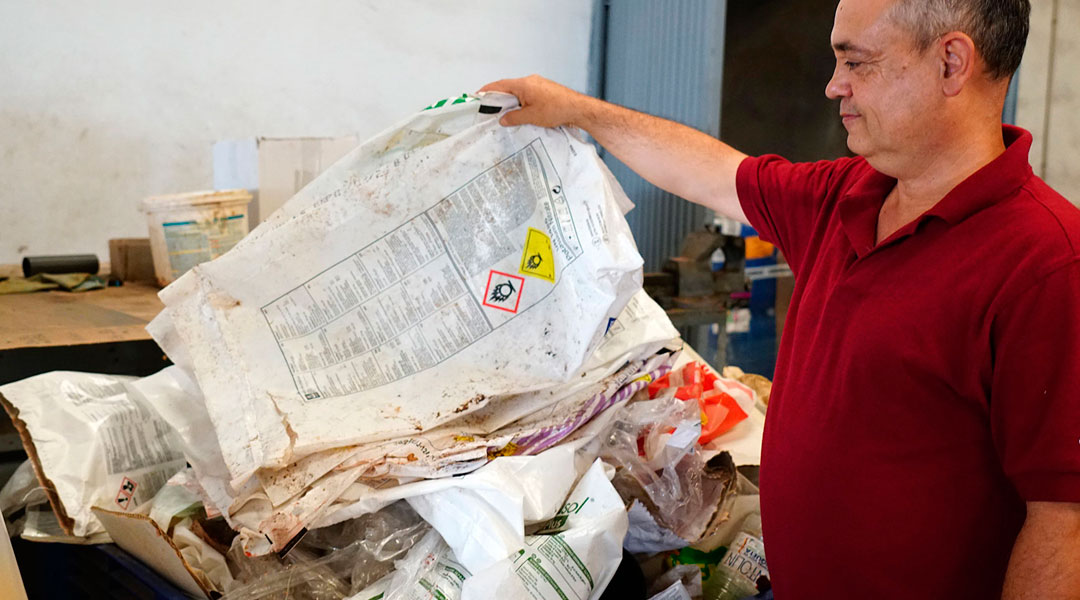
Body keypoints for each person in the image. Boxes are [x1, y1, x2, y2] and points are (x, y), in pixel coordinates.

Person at [481, 0, 1080, 597]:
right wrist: (578, 111)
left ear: (951, 62)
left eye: (857, 62)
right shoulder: (845, 196)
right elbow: (714, 173)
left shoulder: (1046, 264)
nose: (833, 85)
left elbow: (1063, 520)